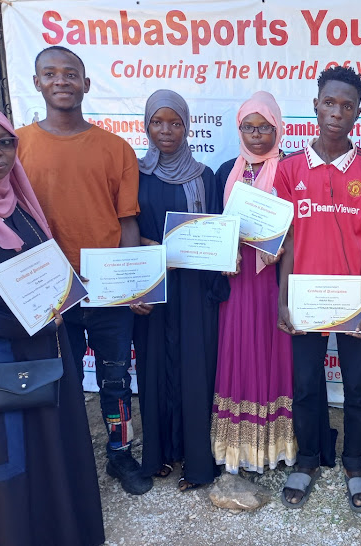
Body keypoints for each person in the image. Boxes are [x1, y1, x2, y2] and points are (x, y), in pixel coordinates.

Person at [0, 99, 104, 546]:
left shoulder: (18, 202)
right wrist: (8, 323)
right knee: (5, 456)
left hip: (41, 349)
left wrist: (62, 293)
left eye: (5, 143)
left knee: (49, 446)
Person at [16, 46, 151, 495]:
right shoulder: (16, 148)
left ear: (86, 84)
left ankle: (119, 454)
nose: (61, 81)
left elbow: (127, 220)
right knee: (61, 381)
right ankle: (69, 459)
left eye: (70, 74)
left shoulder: (114, 149)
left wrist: (131, 283)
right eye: (50, 73)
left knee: (116, 378)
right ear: (36, 82)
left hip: (108, 291)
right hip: (51, 291)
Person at [275, 66, 361, 512]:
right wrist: (283, 298)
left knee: (357, 386)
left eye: (347, 105)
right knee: (306, 385)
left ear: (358, 112)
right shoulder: (289, 169)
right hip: (305, 299)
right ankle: (307, 459)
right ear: (315, 106)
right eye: (329, 102)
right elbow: (286, 242)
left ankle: (355, 465)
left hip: (352, 301)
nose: (336, 112)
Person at [131, 89, 229, 491]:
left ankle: (197, 464)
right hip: (153, 287)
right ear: (147, 125)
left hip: (192, 290)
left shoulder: (204, 175)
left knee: (194, 371)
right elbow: (125, 223)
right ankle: (156, 456)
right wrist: (139, 247)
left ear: (187, 126)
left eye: (175, 123)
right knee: (154, 368)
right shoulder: (135, 173)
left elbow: (218, 232)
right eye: (158, 122)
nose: (166, 131)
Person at [212, 91, 296, 474]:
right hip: (236, 278)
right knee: (238, 349)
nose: (257, 135)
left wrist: (281, 242)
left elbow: (300, 229)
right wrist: (221, 254)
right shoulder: (224, 171)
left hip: (273, 280)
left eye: (266, 127)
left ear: (278, 127)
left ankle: (274, 446)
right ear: (239, 128)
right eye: (250, 126)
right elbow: (213, 229)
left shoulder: (291, 169)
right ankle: (237, 450)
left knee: (271, 347)